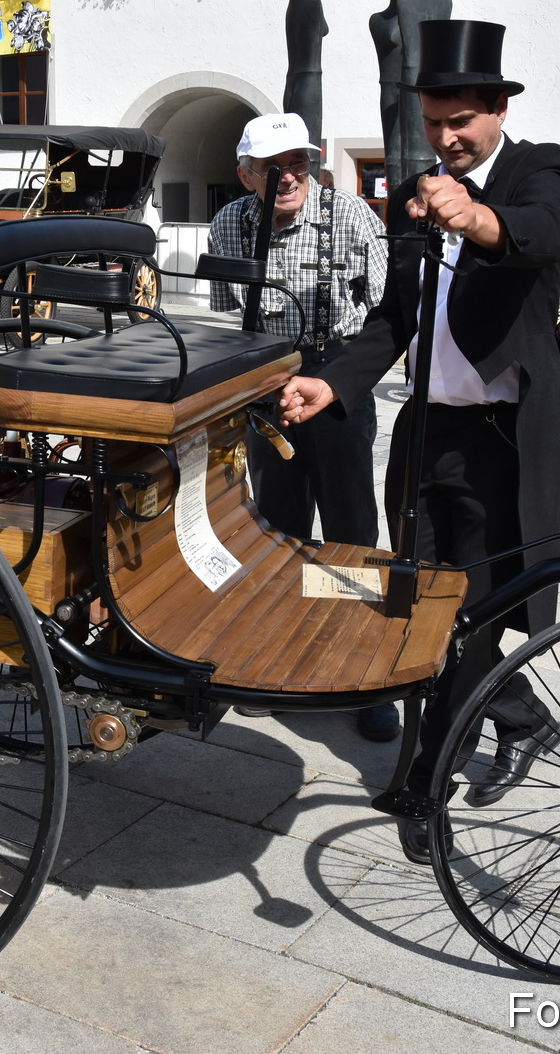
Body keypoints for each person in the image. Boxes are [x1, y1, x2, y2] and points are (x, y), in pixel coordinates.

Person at [277, 21, 560, 863]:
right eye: (436, 122)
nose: (448, 138)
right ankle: (521, 719)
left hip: (499, 440)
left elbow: (539, 234)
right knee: (417, 605)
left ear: (495, 109)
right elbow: (394, 319)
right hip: (425, 433)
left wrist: (475, 215)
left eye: (462, 122)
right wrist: (333, 380)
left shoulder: (539, 167)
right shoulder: (415, 187)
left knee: (467, 616)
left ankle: (427, 786)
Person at [208, 112, 393, 742]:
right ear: (245, 174)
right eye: (271, 168)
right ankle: (282, 653)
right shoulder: (230, 222)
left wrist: (340, 377)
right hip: (267, 377)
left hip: (338, 371)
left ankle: (361, 666)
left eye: (298, 165)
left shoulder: (352, 215)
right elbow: (229, 316)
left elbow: (388, 307)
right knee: (278, 520)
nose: (288, 178)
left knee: (348, 524)